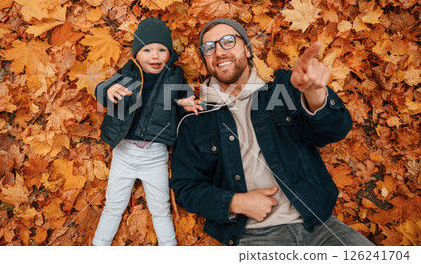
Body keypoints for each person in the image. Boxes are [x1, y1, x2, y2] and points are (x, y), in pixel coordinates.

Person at [170, 18, 374, 246]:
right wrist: (235, 202)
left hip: (318, 225)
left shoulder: (285, 86)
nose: (219, 52)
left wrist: (315, 94)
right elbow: (186, 187)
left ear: (247, 50)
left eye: (228, 41)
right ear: (206, 60)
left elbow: (334, 131)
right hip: (255, 236)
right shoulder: (195, 119)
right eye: (209, 48)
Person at [92, 18, 201, 246]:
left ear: (169, 54)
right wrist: (109, 89)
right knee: (114, 204)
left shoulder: (175, 76)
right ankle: (99, 245)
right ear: (136, 54)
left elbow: (184, 102)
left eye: (162, 50)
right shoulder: (128, 73)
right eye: (147, 49)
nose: (155, 56)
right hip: (125, 152)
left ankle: (168, 246)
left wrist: (187, 105)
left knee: (160, 207)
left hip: (155, 156)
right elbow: (101, 88)